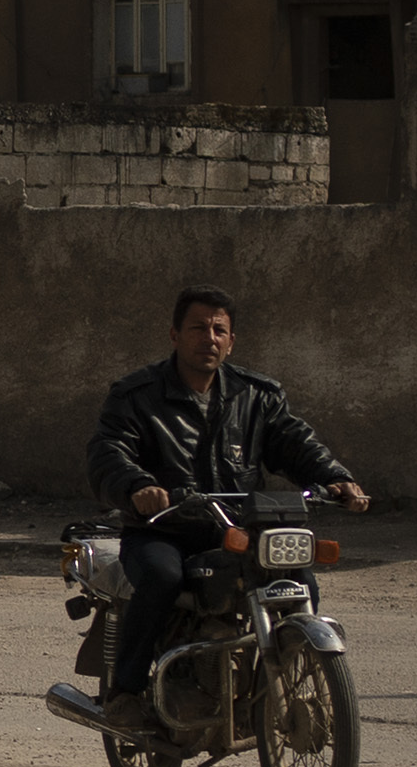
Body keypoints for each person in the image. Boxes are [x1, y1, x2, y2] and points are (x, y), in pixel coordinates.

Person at [62, 285, 368, 735]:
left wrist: (335, 476)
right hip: (162, 531)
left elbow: (296, 443)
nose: (209, 337)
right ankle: (125, 693)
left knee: (297, 579)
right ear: (174, 334)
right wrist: (139, 485)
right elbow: (109, 451)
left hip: (236, 530)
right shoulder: (136, 395)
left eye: (219, 329)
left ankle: (276, 680)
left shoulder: (257, 396)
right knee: (162, 578)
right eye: (198, 327)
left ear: (231, 340)